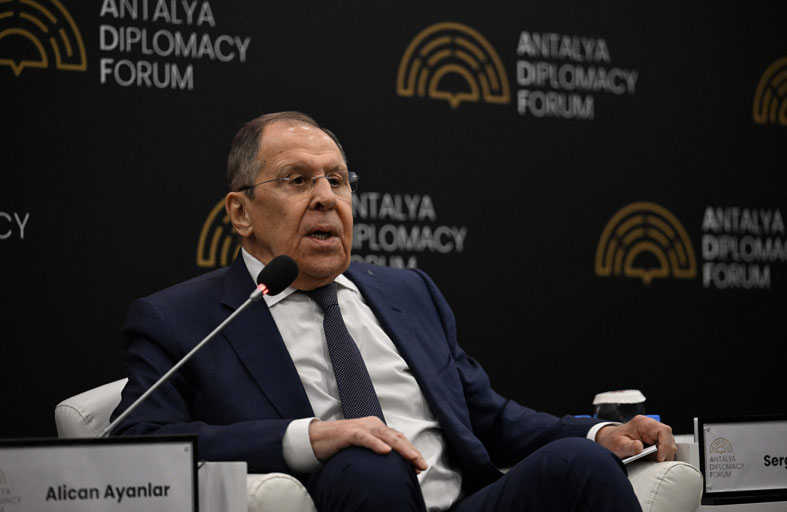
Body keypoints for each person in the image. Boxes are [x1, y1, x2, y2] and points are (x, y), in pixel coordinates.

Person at [111, 111, 677, 511]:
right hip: (346, 500)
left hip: (462, 504)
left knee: (582, 464)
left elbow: (489, 418)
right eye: (297, 181)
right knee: (372, 462)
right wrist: (308, 438)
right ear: (241, 213)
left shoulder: (408, 292)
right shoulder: (184, 318)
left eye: (338, 180)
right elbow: (136, 442)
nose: (326, 198)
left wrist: (598, 432)